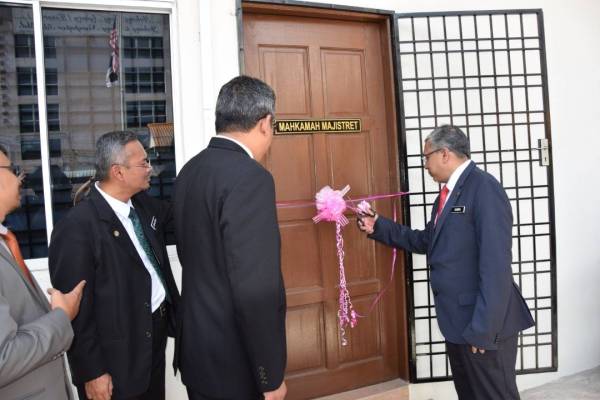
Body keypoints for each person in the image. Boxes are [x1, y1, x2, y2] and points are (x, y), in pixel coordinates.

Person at [357, 125, 535, 400]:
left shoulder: (484, 188)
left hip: (483, 326)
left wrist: (483, 330)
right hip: (458, 323)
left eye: (425, 157)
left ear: (444, 154)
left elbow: (496, 266)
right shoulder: (448, 195)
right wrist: (378, 226)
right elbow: (428, 241)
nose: (425, 165)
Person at [173, 76, 287, 400]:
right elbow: (254, 288)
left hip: (197, 349)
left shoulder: (189, 171)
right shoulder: (252, 179)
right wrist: (270, 374)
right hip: (235, 360)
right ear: (265, 123)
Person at [49, 131, 180, 400]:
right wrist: (92, 372)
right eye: (143, 163)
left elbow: (179, 217)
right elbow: (76, 311)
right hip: (117, 358)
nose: (150, 169)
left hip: (153, 338)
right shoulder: (76, 229)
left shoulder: (142, 205)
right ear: (118, 172)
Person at [0, 144, 85, 399]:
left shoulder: (6, 241)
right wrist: (61, 315)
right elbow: (4, 360)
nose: (18, 178)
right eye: (11, 169)